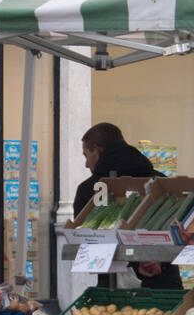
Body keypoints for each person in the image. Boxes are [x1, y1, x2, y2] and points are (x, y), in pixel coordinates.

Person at [73, 123, 180, 290]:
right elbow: (179, 230)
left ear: (98, 149)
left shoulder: (89, 190)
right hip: (164, 285)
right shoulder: (161, 184)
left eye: (86, 155)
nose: (86, 164)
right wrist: (157, 258)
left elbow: (86, 241)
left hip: (112, 291)